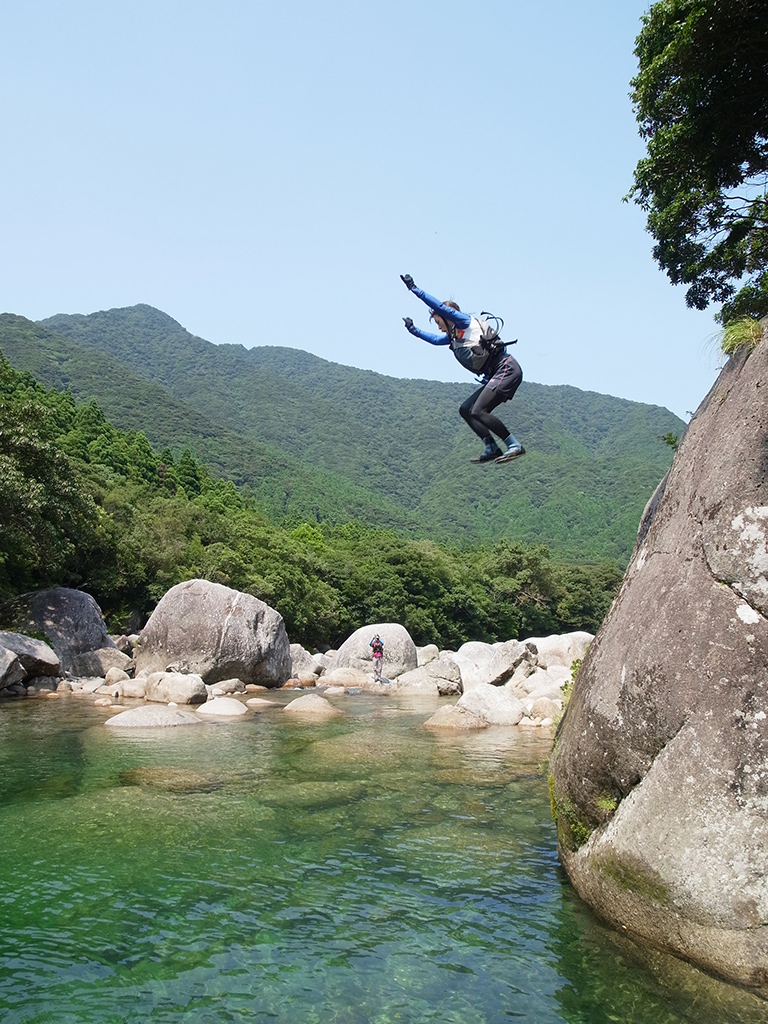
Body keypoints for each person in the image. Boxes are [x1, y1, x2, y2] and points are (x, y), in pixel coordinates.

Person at [401, 273, 525, 464]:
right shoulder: (454, 336)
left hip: (506, 369)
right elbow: (434, 340)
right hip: (498, 373)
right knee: (466, 409)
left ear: (446, 316)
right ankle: (491, 447)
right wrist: (413, 330)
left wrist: (414, 289)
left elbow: (439, 306)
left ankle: (514, 445)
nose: (439, 327)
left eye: (438, 321)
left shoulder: (464, 322)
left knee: (478, 410)